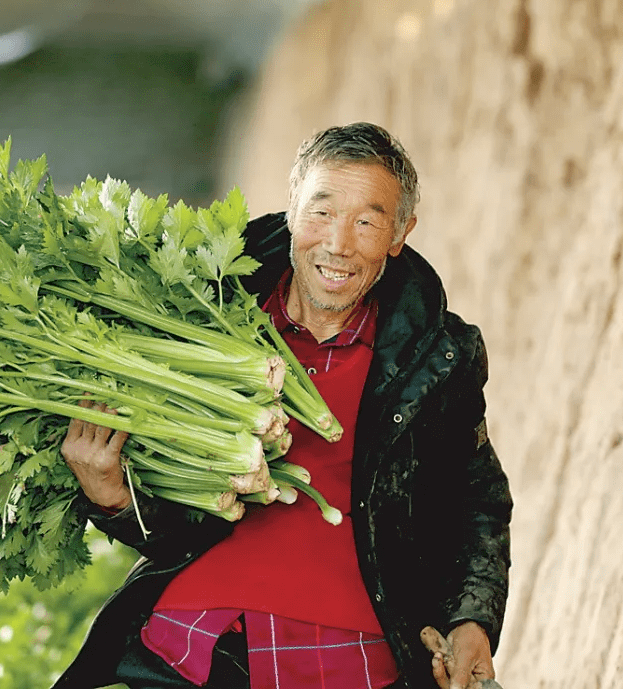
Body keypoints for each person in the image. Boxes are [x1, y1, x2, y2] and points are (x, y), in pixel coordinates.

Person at [55, 122, 513, 689]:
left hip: (356, 657)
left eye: (367, 222)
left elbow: (478, 503)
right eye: (321, 211)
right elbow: (172, 531)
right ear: (292, 206)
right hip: (193, 641)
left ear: (400, 234)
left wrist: (472, 618)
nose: (339, 243)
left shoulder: (439, 360)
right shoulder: (198, 317)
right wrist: (114, 499)